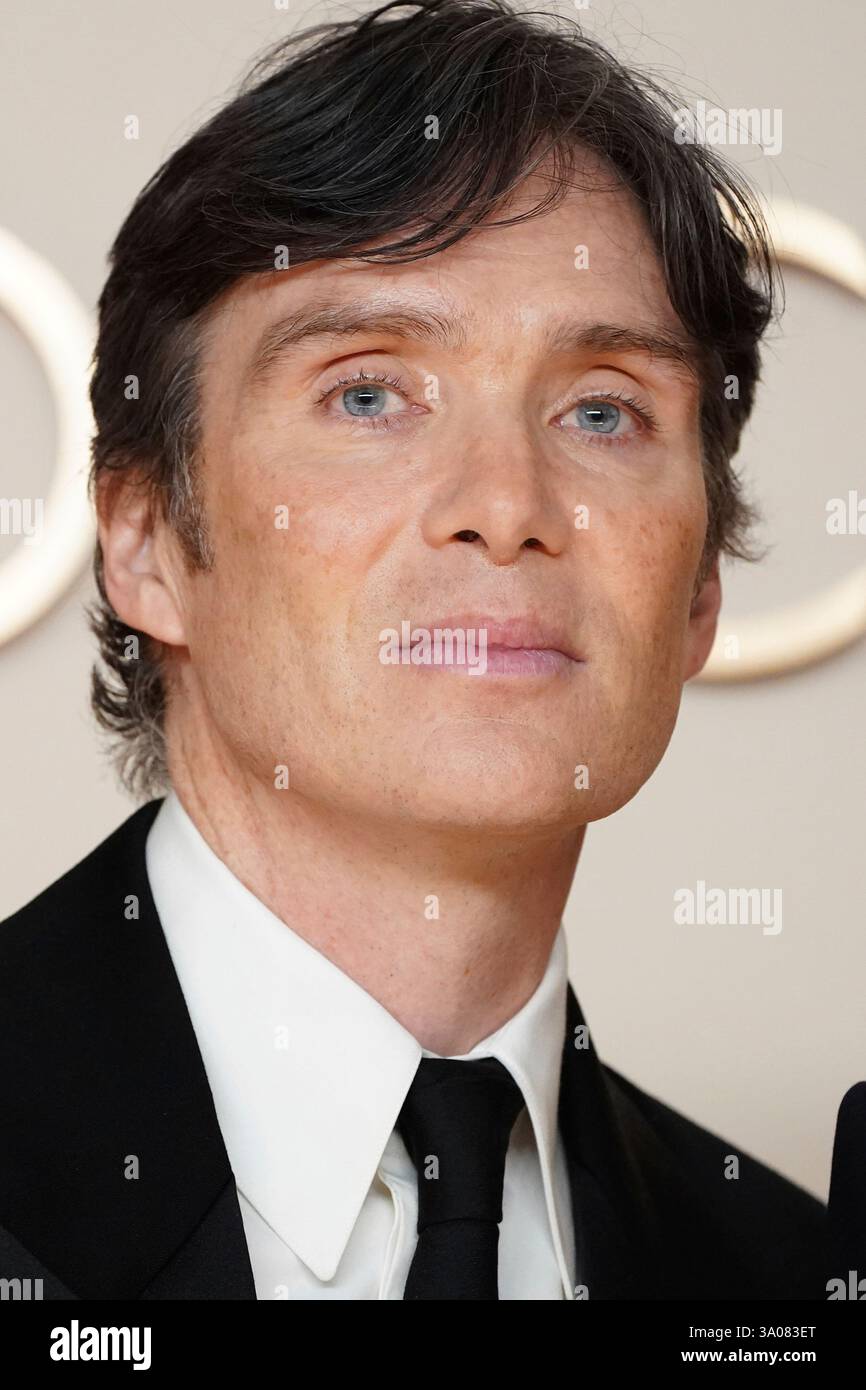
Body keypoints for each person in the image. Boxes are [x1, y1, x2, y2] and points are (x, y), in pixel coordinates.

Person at [0, 0, 825, 1300]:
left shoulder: (789, 1279)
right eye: (368, 392)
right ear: (146, 536)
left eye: (602, 410)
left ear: (698, 591)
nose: (504, 503)